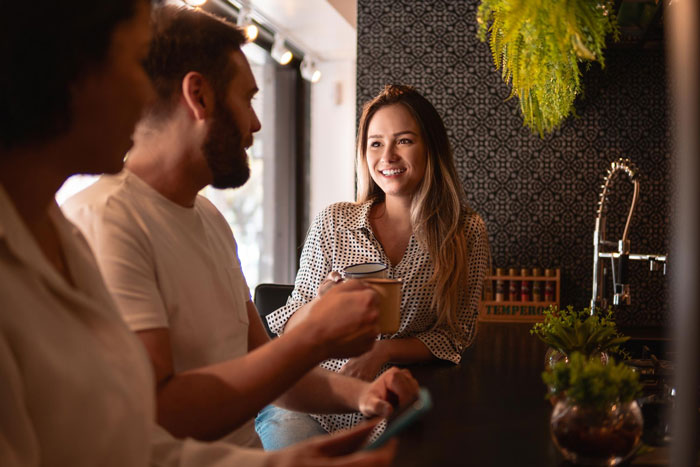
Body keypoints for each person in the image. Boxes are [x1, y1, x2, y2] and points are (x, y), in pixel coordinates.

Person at [0, 1, 404, 465]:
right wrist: (309, 338)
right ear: (200, 96)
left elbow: (127, 436)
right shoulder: (103, 217)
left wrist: (354, 401)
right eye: (135, 64)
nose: (255, 123)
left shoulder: (204, 219)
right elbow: (154, 415)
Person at [260, 84, 490, 445]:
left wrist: (383, 350)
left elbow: (455, 335)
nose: (389, 156)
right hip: (311, 398)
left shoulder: (464, 233)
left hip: (395, 402)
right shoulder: (334, 222)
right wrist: (323, 305)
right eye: (376, 143)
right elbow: (290, 326)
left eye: (404, 141)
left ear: (431, 147)